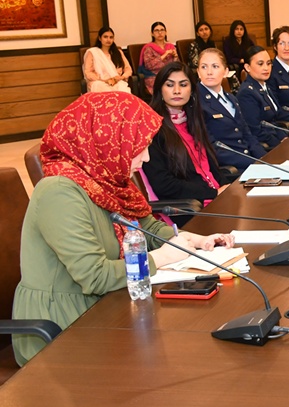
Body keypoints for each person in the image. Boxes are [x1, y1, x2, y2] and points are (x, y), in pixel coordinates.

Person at [11, 92, 233, 365]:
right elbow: (94, 277)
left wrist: (190, 240)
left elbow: (146, 226)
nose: (147, 158)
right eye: (140, 147)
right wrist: (160, 258)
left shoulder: (106, 176)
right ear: (108, 140)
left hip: (109, 303)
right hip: (64, 323)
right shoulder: (59, 192)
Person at [146, 62, 229, 221]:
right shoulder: (153, 128)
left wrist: (227, 188)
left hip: (217, 200)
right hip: (190, 209)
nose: (177, 90)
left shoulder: (194, 120)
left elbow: (211, 167)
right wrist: (213, 193)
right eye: (170, 85)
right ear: (159, 89)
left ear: (191, 90)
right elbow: (163, 184)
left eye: (183, 85)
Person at [196, 48, 266, 171]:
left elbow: (247, 134)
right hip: (230, 168)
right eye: (204, 67)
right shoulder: (196, 101)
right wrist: (253, 164)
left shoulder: (231, 98)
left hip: (249, 162)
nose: (209, 72)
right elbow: (211, 147)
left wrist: (265, 159)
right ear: (198, 72)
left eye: (215, 66)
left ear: (226, 71)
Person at [237, 45, 289, 149]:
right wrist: (280, 145)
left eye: (268, 63)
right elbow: (255, 130)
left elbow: (275, 119)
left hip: (277, 137)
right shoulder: (247, 93)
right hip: (268, 146)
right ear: (247, 67)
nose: (266, 68)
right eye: (260, 64)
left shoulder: (264, 86)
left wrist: (284, 138)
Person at [82, 26, 132, 93]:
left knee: (123, 90)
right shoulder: (92, 52)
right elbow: (88, 72)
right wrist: (103, 80)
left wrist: (122, 77)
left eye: (111, 37)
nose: (108, 40)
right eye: (105, 37)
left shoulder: (118, 52)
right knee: (105, 89)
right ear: (100, 38)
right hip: (99, 82)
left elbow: (128, 69)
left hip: (116, 81)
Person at [139, 21, 178, 95]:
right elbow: (149, 66)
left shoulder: (170, 46)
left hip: (170, 74)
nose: (160, 33)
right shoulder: (149, 48)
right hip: (154, 76)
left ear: (166, 32)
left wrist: (175, 56)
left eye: (162, 30)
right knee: (167, 86)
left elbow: (176, 65)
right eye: (156, 31)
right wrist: (165, 54)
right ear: (152, 34)